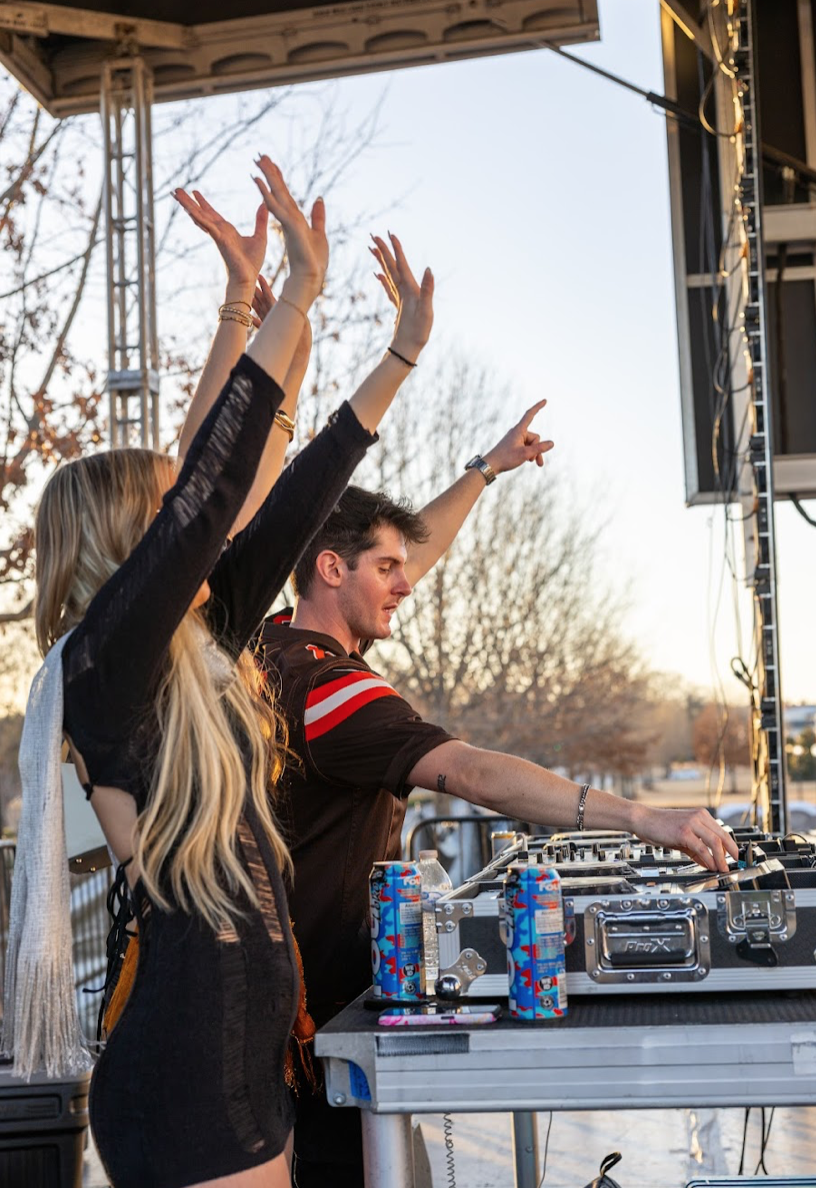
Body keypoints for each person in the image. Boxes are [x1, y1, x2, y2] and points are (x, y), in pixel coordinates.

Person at [5, 156, 434, 1188]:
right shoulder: (108, 662)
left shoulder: (201, 650)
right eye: (167, 524)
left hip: (242, 1058)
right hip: (184, 1072)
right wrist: (286, 297)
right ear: (126, 549)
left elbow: (290, 495)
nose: (198, 539)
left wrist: (398, 360)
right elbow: (217, 481)